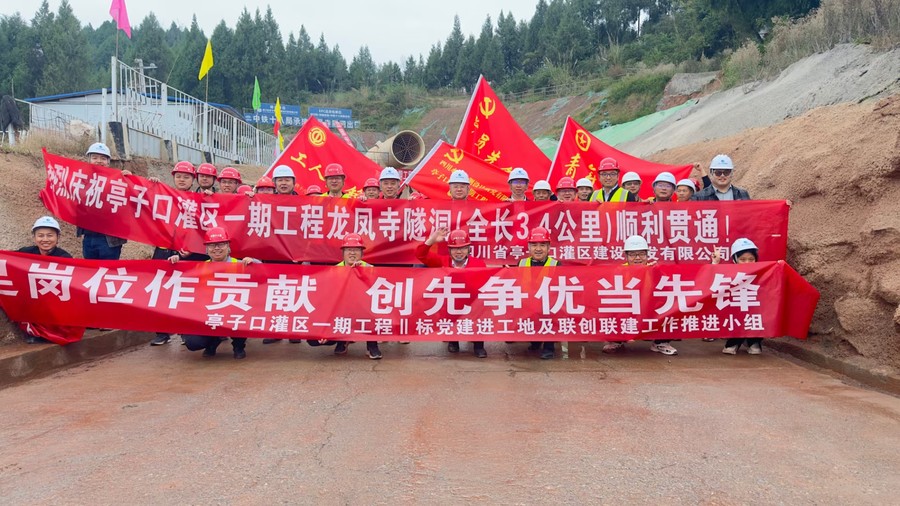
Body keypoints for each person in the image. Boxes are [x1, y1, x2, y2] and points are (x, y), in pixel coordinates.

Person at [169, 227, 259, 359]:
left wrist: (253, 262)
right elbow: (178, 280)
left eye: (221, 244)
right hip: (209, 315)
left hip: (235, 314)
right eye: (212, 245)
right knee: (193, 342)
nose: (216, 248)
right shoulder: (200, 267)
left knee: (242, 315)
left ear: (228, 246)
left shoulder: (241, 265)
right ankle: (213, 341)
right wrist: (175, 263)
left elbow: (265, 273)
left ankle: (238, 345)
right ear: (206, 249)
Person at [148, 161, 209, 346]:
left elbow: (204, 228)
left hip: (190, 253)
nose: (182, 180)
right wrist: (150, 185)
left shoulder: (200, 201)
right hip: (164, 250)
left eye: (186, 177)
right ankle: (162, 333)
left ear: (193, 180)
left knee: (187, 293)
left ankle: (186, 331)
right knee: (161, 291)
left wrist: (192, 248)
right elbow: (142, 202)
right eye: (179, 176)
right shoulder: (164, 196)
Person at [416, 228, 488, 358]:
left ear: (468, 249)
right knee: (449, 312)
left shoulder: (479, 263)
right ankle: (453, 341)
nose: (459, 252)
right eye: (455, 249)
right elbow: (421, 255)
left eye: (462, 248)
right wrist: (431, 241)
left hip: (472, 303)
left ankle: (479, 346)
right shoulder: (443, 262)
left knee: (479, 313)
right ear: (449, 250)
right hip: (451, 304)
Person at [602, 235, 678, 356]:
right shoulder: (619, 271)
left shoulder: (655, 268)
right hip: (627, 309)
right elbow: (610, 296)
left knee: (671, 309)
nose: (637, 258)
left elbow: (668, 291)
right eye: (632, 254)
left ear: (647, 255)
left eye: (641, 254)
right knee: (609, 311)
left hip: (650, 309)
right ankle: (616, 341)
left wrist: (657, 273)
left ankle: (661, 342)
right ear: (626, 256)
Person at [14, 216, 85, 345]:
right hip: (32, 299)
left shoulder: (64, 257)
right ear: (34, 237)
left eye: (50, 235)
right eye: (40, 235)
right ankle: (33, 332)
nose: (45, 239)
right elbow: (7, 261)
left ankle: (47, 334)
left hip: (54, 300)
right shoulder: (26, 252)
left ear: (58, 237)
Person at [332, 234, 383, 359]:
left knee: (372, 310)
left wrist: (362, 272)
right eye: (349, 250)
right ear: (343, 253)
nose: (352, 253)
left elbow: (377, 290)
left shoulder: (370, 268)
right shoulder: (335, 270)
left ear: (362, 253)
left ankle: (372, 345)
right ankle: (342, 340)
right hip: (343, 307)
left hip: (364, 307)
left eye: (356, 250)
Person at [713, 238, 765, 355]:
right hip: (735, 309)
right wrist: (715, 263)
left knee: (756, 318)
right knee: (737, 319)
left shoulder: (763, 272)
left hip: (754, 310)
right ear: (735, 259)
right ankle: (734, 341)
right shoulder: (730, 272)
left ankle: (754, 341)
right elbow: (713, 278)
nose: (747, 262)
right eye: (742, 259)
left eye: (751, 259)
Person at [77, 142, 128, 260]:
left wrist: (129, 180)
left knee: (108, 269)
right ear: (89, 160)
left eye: (103, 158)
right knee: (91, 269)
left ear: (108, 162)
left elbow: (133, 200)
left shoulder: (118, 180)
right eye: (95, 158)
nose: (99, 161)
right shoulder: (82, 179)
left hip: (109, 239)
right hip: (89, 236)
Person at [518, 227, 559, 360]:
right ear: (529, 247)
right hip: (527, 304)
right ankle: (535, 341)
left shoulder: (556, 264)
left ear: (549, 247)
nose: (538, 249)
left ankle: (548, 347)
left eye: (542, 245)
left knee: (550, 313)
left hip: (549, 305)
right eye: (534, 245)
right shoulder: (521, 263)